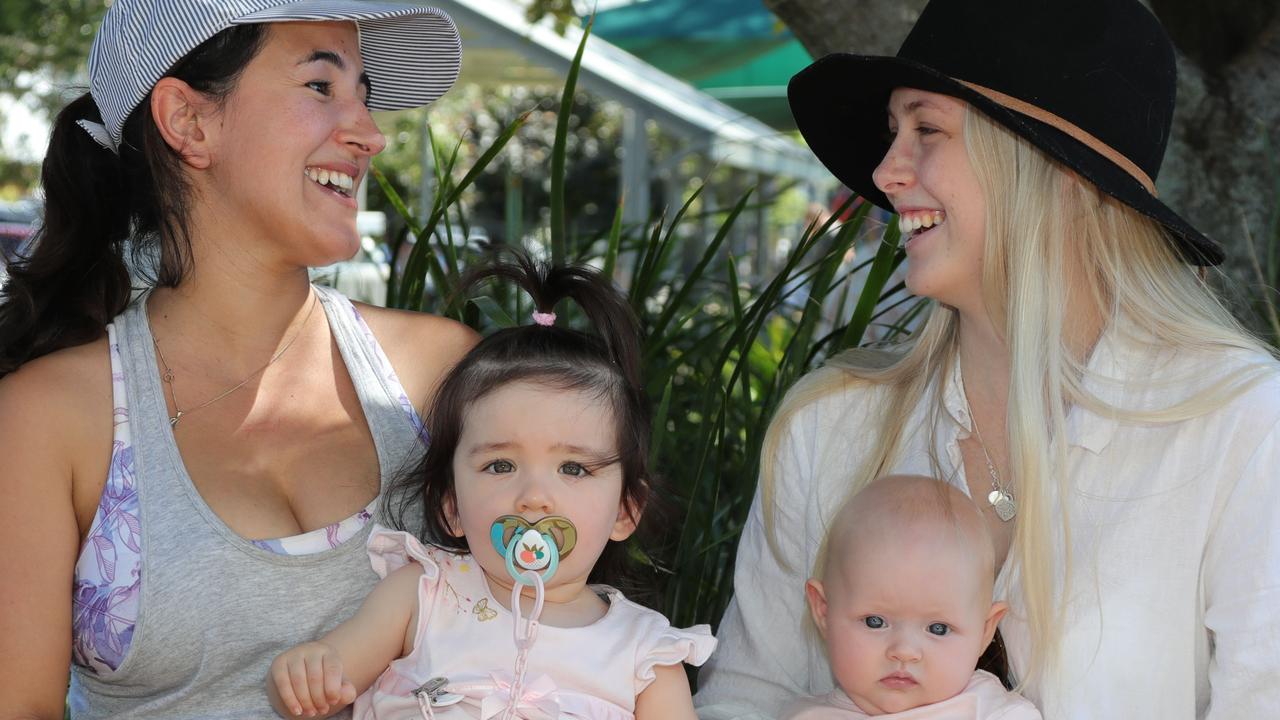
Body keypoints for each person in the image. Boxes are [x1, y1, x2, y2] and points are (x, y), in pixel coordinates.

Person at [696, 0, 1280, 717]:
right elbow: (743, 700)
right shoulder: (830, 425)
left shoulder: (1242, 425)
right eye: (892, 132)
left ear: (1062, 174)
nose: (885, 171)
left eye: (927, 129)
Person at [0, 2, 478, 718]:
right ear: (189, 122)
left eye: (366, 96)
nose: (371, 135)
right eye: (321, 86)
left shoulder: (438, 373)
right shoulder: (52, 418)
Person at [264, 256, 716, 719]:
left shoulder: (646, 654)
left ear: (625, 511)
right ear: (451, 507)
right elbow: (325, 681)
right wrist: (308, 676)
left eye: (574, 469)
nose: (534, 496)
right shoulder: (422, 594)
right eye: (501, 465)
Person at [784, 475, 1039, 719]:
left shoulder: (993, 712)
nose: (904, 651)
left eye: (938, 628)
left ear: (985, 632)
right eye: (875, 621)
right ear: (823, 611)